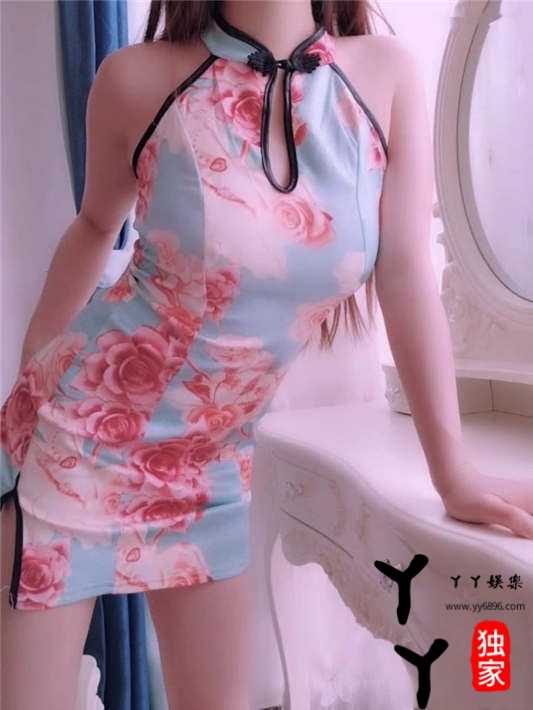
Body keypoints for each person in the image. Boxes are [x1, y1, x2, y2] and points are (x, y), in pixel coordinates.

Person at [2, 1, 533, 709]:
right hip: (74, 442)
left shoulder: (385, 77)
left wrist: (453, 474)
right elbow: (96, 225)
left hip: (212, 465)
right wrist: (29, 379)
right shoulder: (135, 80)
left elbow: (406, 275)